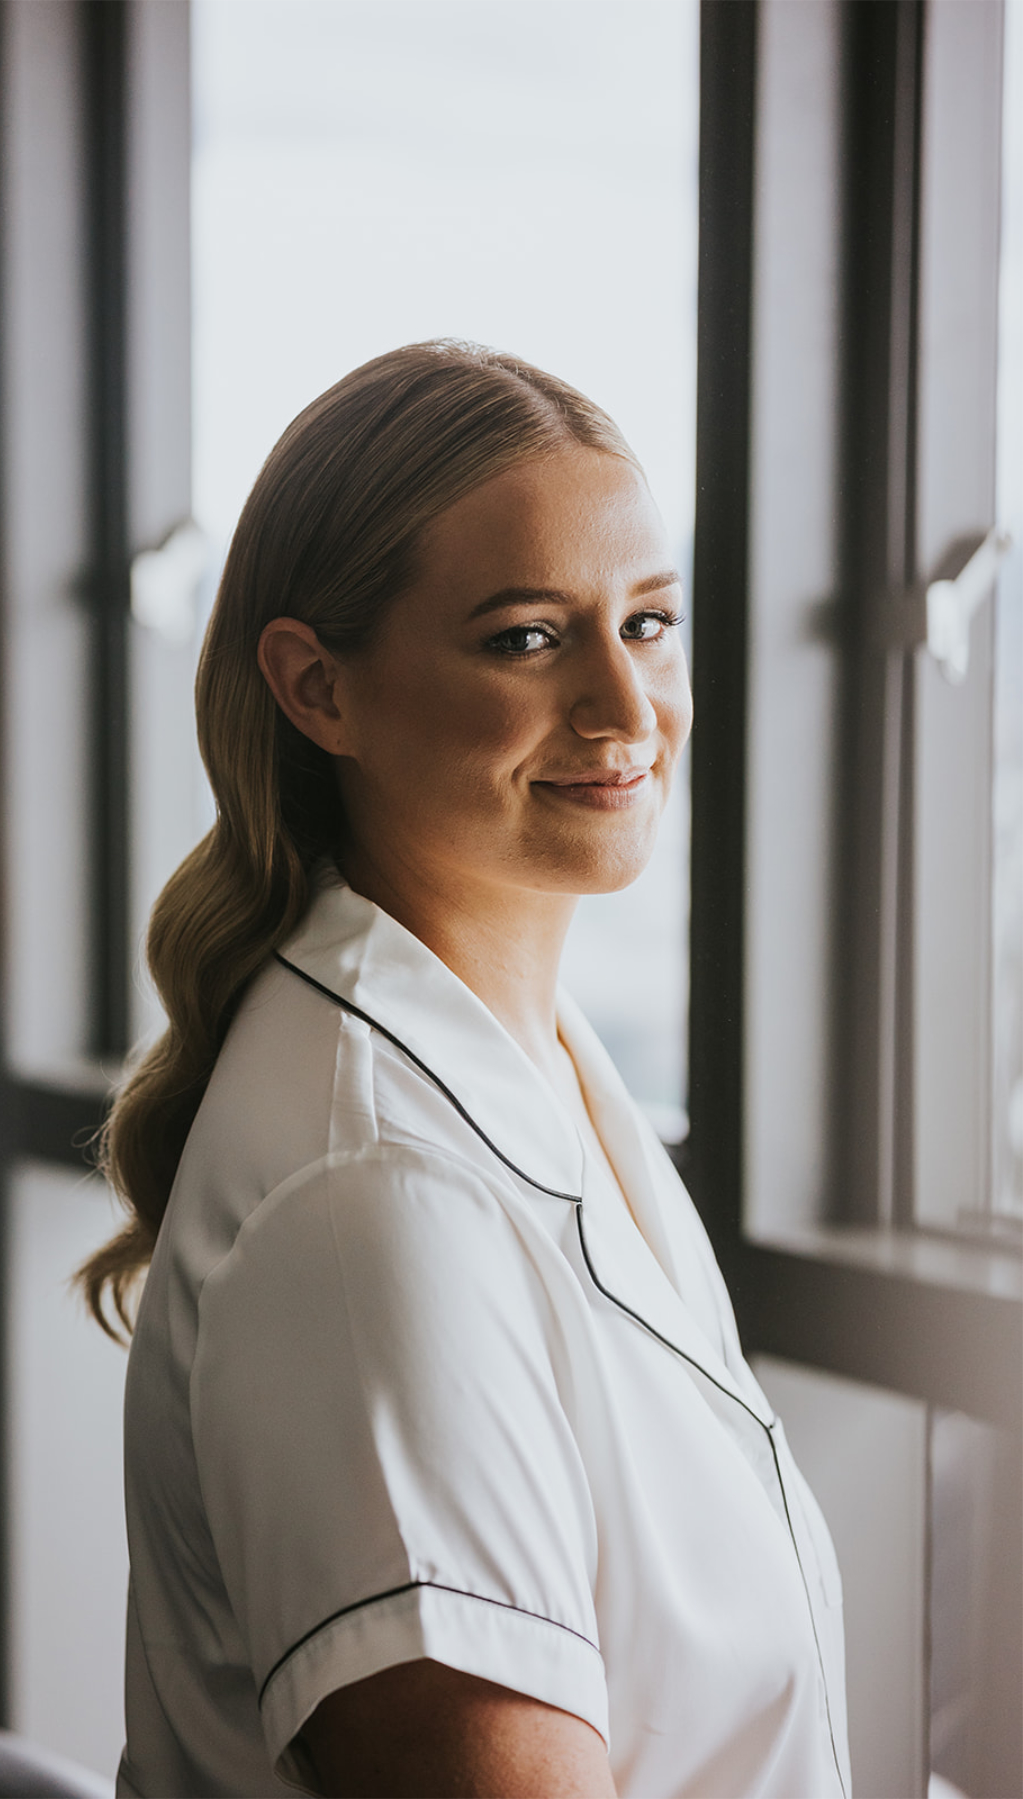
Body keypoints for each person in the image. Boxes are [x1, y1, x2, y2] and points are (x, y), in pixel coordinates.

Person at [80, 340, 851, 1799]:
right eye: (526, 639)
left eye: (651, 623)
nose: (630, 712)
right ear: (320, 689)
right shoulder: (374, 1202)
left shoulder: (534, 1069)